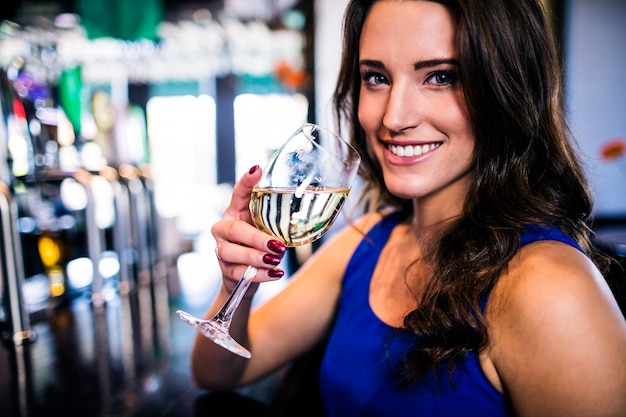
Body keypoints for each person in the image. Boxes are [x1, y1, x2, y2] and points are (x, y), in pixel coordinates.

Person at [190, 0, 626, 416]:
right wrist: (236, 285)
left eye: (440, 77)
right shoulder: (368, 242)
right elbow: (219, 371)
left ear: (506, 89)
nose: (394, 117)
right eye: (376, 77)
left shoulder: (551, 287)